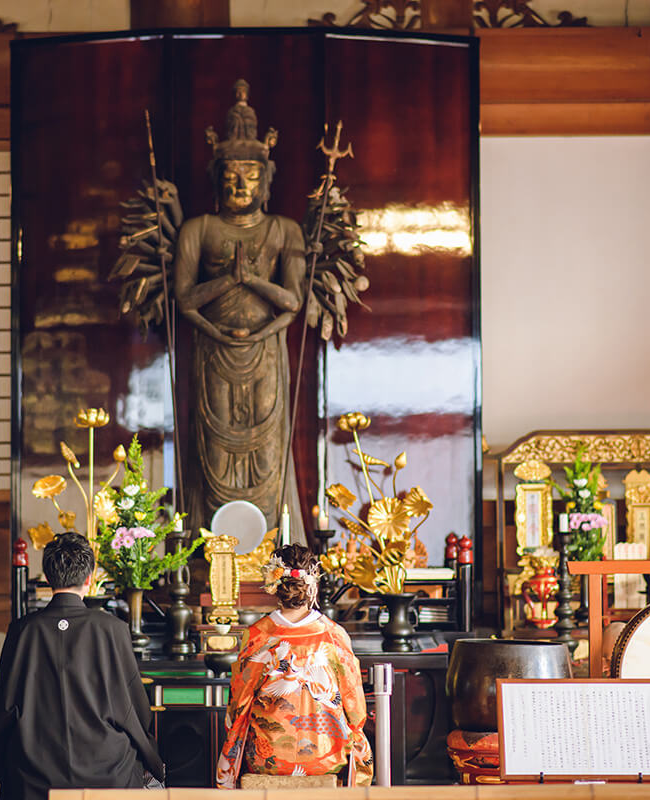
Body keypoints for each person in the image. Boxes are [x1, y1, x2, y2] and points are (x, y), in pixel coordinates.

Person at [174, 80, 306, 535]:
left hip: (268, 356)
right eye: (231, 174)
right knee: (213, 454)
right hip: (212, 355)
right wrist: (227, 286)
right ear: (217, 177)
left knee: (268, 456)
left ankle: (272, 553)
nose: (240, 183)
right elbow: (185, 300)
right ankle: (211, 554)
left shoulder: (284, 229)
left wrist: (250, 281)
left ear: (265, 179)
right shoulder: (199, 228)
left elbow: (292, 302)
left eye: (250, 175)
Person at [0, 533, 166, 798]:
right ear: (89, 579)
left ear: (47, 579)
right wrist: (151, 754)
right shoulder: (113, 629)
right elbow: (133, 706)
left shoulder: (21, 630)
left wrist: (4, 765)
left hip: (34, 774)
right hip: (107, 773)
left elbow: (5, 707)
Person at [216, 545, 372, 788]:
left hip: (267, 758)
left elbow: (239, 703)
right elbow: (355, 706)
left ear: (275, 586)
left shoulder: (258, 635)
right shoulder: (333, 635)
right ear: (313, 586)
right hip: (327, 757)